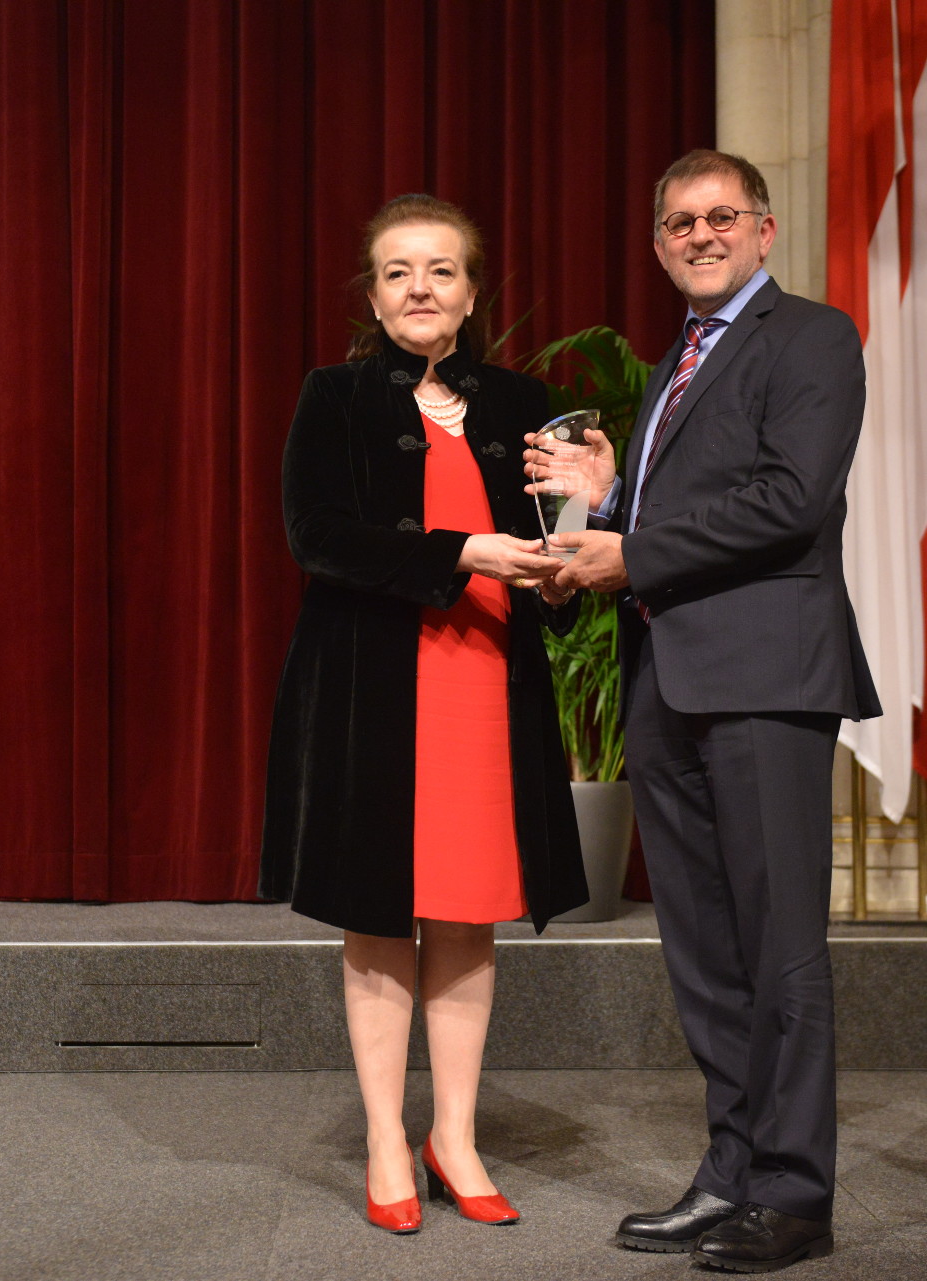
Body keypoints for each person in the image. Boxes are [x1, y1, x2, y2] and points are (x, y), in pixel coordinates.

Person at [540, 150, 880, 1273]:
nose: (701, 234)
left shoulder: (811, 337)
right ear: (658, 245)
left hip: (767, 681)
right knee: (704, 952)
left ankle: (794, 1191)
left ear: (763, 230)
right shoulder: (677, 363)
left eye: (721, 215)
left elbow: (790, 500)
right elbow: (679, 514)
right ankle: (731, 1171)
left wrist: (629, 551)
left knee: (779, 950)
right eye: (680, 222)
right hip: (670, 681)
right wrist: (607, 500)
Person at [259, 194, 589, 1235]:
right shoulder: (335, 395)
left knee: (467, 908)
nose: (420, 288)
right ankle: (385, 1140)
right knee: (379, 910)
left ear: (471, 294)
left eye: (441, 270)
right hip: (372, 688)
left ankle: (455, 1135)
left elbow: (562, 540)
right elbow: (316, 535)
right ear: (373, 295)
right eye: (398, 271)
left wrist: (565, 556)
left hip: (488, 683)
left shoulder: (522, 402)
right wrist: (462, 551)